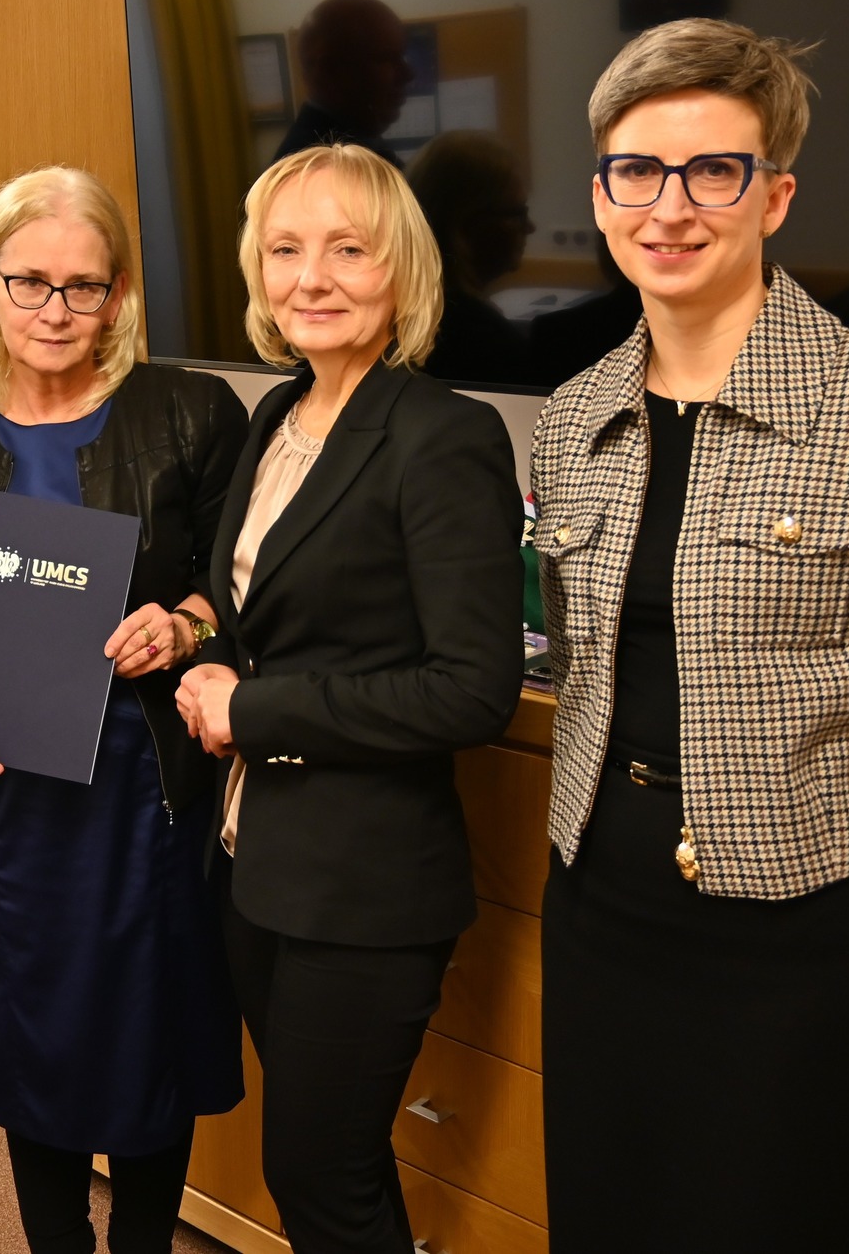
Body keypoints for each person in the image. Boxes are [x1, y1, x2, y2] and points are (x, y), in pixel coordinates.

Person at [531, 18, 849, 1253]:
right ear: (599, 198)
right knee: (603, 1216)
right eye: (636, 171)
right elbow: (584, 665)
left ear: (774, 196)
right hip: (599, 902)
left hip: (801, 934)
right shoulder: (571, 416)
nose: (669, 206)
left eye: (713, 170)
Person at [0, 166, 247, 1254]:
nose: (55, 310)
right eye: (29, 281)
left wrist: (180, 627)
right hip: (3, 794)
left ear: (119, 294)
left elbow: (237, 587)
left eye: (84, 286)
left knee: (150, 1035)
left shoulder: (189, 413)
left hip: (144, 793)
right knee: (27, 1027)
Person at [177, 144, 524, 1253]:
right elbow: (271, 615)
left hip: (366, 884)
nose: (311, 277)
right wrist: (200, 645)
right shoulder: (278, 415)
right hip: (256, 859)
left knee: (314, 1172)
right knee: (339, 1166)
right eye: (285, 249)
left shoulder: (443, 434)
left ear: (401, 268)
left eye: (347, 249)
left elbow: (472, 689)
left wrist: (252, 709)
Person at [406, 129, 536, 386]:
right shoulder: (482, 342)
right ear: (465, 223)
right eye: (515, 214)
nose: (530, 227)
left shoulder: (405, 317)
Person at [272, 0, 414, 166]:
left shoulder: (359, 142)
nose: (408, 74)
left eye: (401, 56)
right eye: (386, 58)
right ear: (330, 69)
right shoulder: (316, 168)